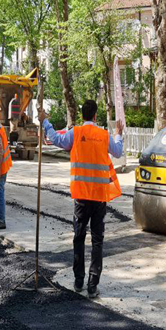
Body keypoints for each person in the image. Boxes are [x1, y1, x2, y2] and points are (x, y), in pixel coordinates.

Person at [38, 100, 123, 298]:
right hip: (99, 197)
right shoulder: (104, 135)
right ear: (95, 116)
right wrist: (118, 134)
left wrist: (45, 122)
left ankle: (78, 280)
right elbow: (118, 152)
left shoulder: (75, 133)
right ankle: (93, 284)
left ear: (83, 115)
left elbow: (54, 139)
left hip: (81, 196)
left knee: (78, 237)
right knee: (97, 240)